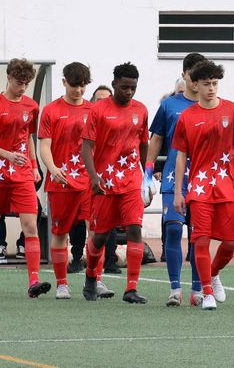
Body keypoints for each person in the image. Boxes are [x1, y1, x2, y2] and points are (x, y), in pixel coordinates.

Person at [172, 61, 234, 312]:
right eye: (206, 84)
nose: (211, 88)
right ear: (195, 85)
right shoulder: (187, 117)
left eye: (215, 83)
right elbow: (180, 156)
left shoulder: (232, 110)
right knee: (200, 240)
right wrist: (179, 191)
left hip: (227, 186)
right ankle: (206, 292)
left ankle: (213, 274)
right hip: (199, 189)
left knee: (230, 242)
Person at [0, 59, 47, 299]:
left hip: (22, 173)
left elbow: (28, 136)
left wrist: (34, 164)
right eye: (19, 82)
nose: (23, 87)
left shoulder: (31, 106)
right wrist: (9, 155)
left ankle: (34, 280)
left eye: (27, 83)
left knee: (30, 225)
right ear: (8, 78)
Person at [81, 62, 152, 304]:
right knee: (100, 236)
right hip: (104, 182)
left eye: (133, 88)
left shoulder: (141, 110)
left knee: (134, 228)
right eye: (124, 87)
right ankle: (91, 277)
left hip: (131, 179)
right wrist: (93, 177)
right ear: (114, 85)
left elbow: (144, 144)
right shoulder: (98, 110)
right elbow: (86, 147)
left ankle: (131, 289)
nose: (129, 92)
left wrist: (148, 178)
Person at [143, 56, 207, 307]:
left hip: (202, 177)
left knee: (198, 234)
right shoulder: (170, 105)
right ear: (185, 75)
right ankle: (174, 288)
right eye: (193, 74)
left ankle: (198, 289)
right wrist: (148, 173)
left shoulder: (214, 106)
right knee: (172, 228)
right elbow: (157, 139)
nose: (197, 80)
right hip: (173, 174)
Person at [38, 62, 93, 301]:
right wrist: (52, 169)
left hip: (89, 182)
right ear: (64, 83)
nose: (78, 90)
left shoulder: (94, 111)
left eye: (82, 86)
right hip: (61, 181)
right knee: (60, 232)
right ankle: (62, 284)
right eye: (74, 85)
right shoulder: (51, 111)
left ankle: (96, 279)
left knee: (96, 229)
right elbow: (44, 146)